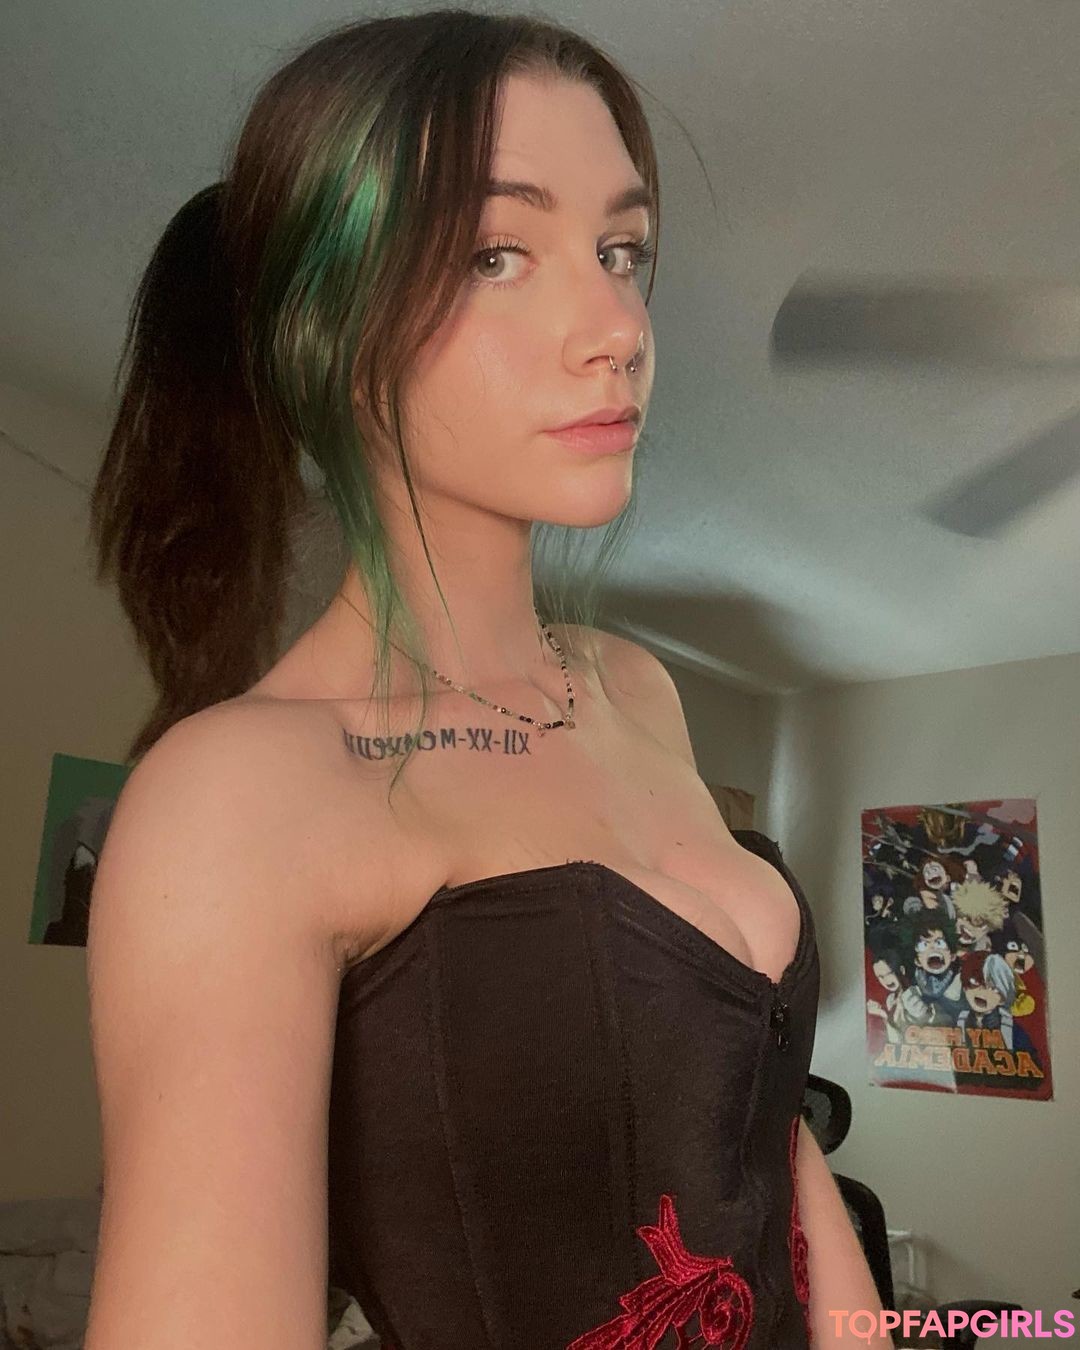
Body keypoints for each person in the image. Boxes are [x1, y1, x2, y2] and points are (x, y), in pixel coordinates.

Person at [83, 10, 890, 1349]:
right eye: (494, 253)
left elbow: (760, 1126)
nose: (617, 326)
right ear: (327, 327)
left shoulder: (635, 689)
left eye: (623, 252)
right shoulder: (236, 796)